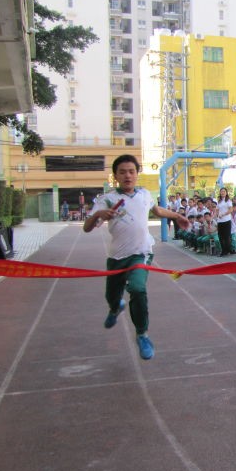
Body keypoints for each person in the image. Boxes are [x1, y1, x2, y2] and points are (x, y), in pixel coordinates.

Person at [83, 154, 190, 360]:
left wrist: (177, 216)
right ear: (115, 175)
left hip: (141, 253)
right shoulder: (106, 199)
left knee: (137, 288)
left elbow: (157, 210)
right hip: (116, 257)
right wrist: (98, 215)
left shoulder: (144, 194)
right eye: (122, 172)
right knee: (111, 296)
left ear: (137, 174)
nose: (127, 176)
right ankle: (116, 307)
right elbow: (87, 228)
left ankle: (142, 334)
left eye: (131, 171)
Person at [215, 187, 234, 256]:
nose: (222, 193)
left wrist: (223, 214)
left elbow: (231, 209)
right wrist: (217, 214)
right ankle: (223, 250)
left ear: (226, 193)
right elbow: (217, 209)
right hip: (220, 221)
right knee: (220, 236)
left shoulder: (228, 200)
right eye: (221, 191)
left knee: (226, 236)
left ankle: (227, 250)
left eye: (224, 191)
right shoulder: (219, 201)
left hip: (226, 220)